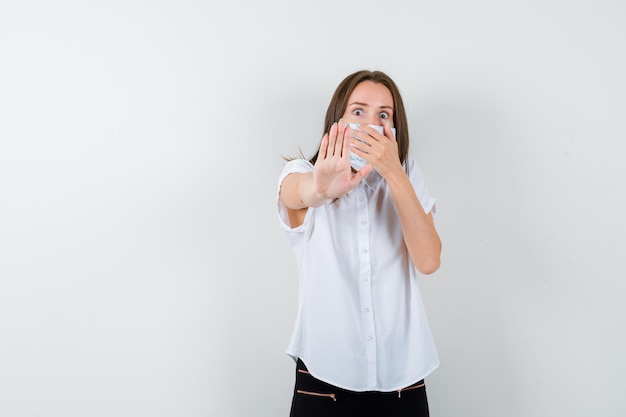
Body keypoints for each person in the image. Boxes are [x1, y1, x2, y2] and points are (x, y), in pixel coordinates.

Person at [276, 70, 442, 417]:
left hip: (403, 377)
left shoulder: (407, 176)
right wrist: (321, 188)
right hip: (324, 378)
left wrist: (394, 173)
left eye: (384, 115)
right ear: (338, 119)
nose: (371, 124)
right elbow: (296, 194)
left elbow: (428, 260)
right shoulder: (304, 171)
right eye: (358, 111)